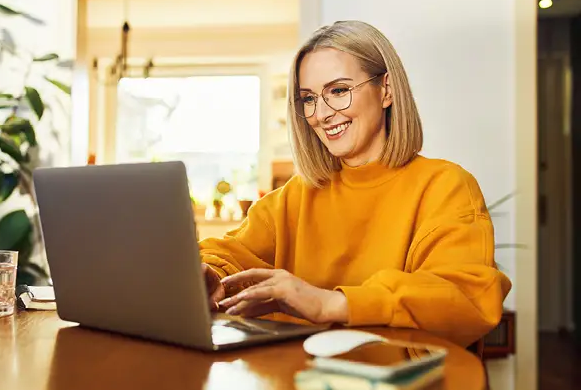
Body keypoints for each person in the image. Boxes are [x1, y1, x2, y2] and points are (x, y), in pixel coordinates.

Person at [199, 20, 511, 347]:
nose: (321, 113)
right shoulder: (296, 195)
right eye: (309, 98)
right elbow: (230, 252)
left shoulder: (446, 187)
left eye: (338, 91)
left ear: (386, 90)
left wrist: (332, 303)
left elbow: (466, 298)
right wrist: (209, 274)